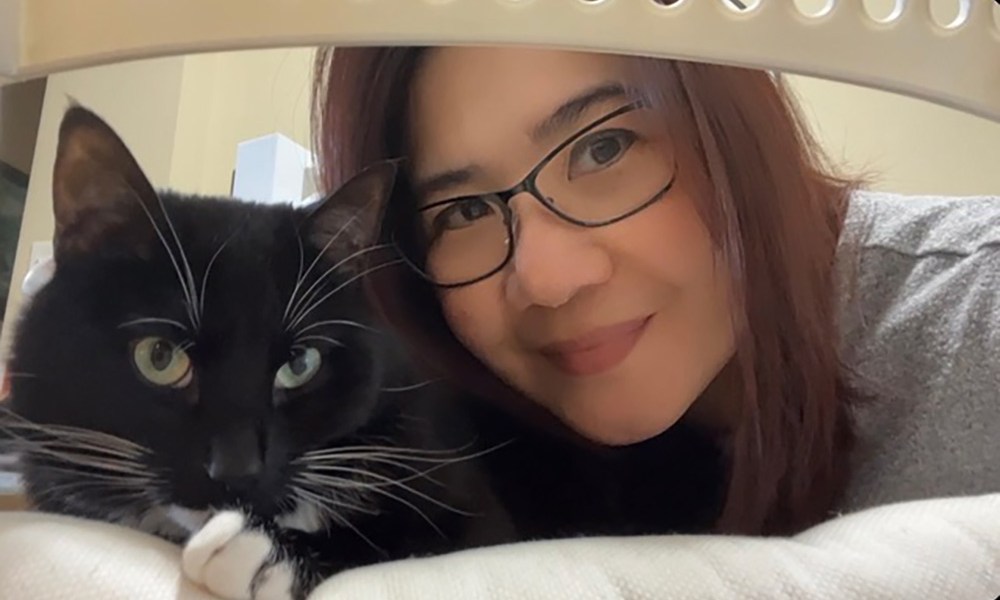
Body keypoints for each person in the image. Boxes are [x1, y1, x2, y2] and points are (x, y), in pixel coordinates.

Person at [311, 45, 1000, 537]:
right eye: (463, 212)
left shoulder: (979, 319)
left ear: (729, 123)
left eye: (604, 148)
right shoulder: (448, 463)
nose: (549, 281)